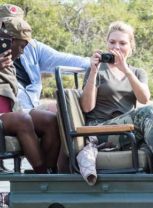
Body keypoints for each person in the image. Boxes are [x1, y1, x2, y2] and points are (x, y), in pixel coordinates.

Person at [79, 21, 153, 174]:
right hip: (100, 130)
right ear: (107, 44)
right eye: (112, 42)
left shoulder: (137, 73)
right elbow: (86, 107)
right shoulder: (97, 70)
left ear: (131, 47)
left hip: (127, 129)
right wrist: (93, 72)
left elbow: (144, 98)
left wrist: (126, 71)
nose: (116, 47)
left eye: (122, 43)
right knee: (147, 112)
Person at [0, 5, 89, 112]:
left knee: (62, 109)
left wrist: (96, 63)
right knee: (45, 118)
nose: (9, 31)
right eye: (5, 26)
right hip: (11, 111)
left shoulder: (33, 47)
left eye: (16, 25)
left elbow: (62, 60)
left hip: (33, 108)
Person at [0, 14, 56, 172]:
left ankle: (49, 173)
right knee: (22, 119)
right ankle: (41, 174)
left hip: (9, 112)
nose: (23, 52)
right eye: (21, 46)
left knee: (51, 120)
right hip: (7, 116)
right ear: (9, 40)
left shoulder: (9, 60)